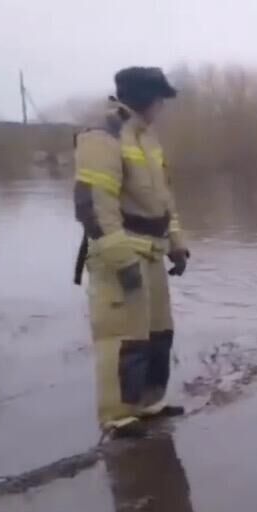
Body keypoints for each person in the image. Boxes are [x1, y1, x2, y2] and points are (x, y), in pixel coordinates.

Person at [73, 66, 190, 437]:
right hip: (121, 255)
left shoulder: (147, 138)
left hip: (153, 254)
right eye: (160, 100)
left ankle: (147, 403)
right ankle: (117, 416)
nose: (162, 108)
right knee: (121, 339)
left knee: (157, 334)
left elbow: (163, 200)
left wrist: (177, 244)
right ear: (145, 99)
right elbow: (94, 205)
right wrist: (120, 259)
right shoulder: (103, 137)